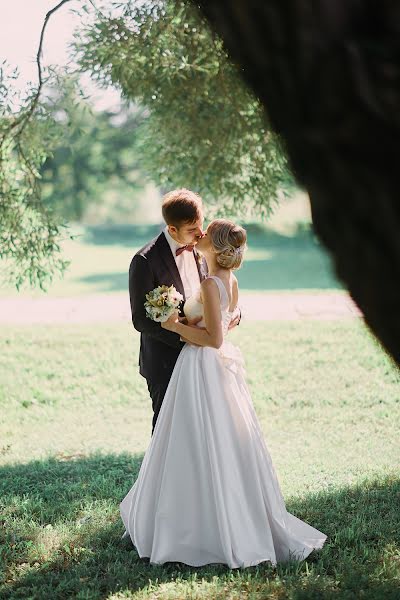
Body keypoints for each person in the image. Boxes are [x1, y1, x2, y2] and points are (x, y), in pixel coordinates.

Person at [121, 218, 327, 568]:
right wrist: (190, 324)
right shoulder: (228, 279)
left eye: (206, 232)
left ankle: (200, 528)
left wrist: (174, 326)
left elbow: (214, 339)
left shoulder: (212, 283)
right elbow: (221, 324)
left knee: (196, 440)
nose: (199, 235)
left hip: (202, 366)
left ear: (214, 248)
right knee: (213, 440)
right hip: (211, 368)